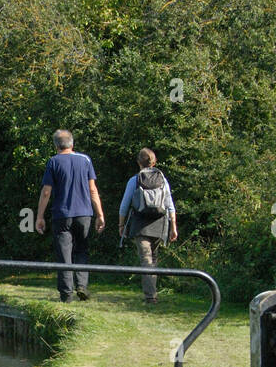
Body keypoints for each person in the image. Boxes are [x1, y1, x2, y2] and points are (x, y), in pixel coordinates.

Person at [36, 129, 105, 302]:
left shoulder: (53, 162)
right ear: (72, 143)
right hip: (84, 214)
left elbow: (46, 192)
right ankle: (81, 286)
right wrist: (100, 214)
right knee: (82, 250)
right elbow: (93, 189)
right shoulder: (85, 160)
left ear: (56, 145)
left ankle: (66, 295)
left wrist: (39, 216)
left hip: (62, 214)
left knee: (64, 255)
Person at [118, 148, 178, 304]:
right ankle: (152, 293)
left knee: (146, 259)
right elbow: (169, 205)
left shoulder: (134, 180)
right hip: (159, 224)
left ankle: (150, 296)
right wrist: (174, 227)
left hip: (140, 225)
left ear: (139, 162)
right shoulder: (162, 180)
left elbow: (125, 204)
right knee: (153, 259)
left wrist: (121, 224)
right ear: (154, 162)